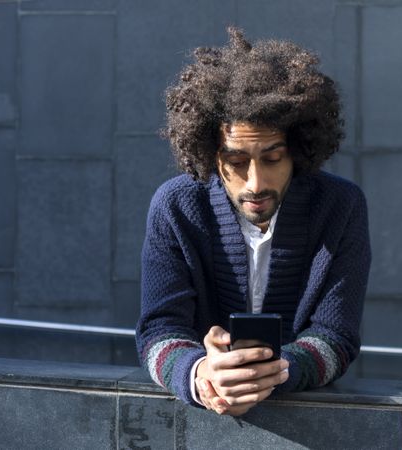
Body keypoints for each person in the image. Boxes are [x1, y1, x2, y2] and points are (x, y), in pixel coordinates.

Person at [136, 28, 371, 416]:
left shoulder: (340, 206)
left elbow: (337, 336)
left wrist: (274, 372)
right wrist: (199, 374)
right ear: (211, 155)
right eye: (236, 161)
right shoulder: (175, 207)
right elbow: (158, 330)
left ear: (298, 150)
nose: (255, 182)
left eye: (273, 158)